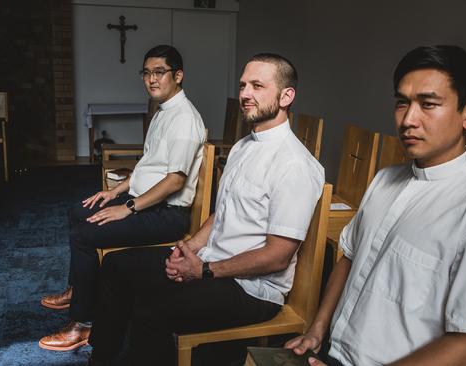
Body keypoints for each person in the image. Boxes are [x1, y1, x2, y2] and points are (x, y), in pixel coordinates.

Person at [286, 45, 466, 366]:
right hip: (332, 354)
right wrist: (317, 329)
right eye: (402, 103)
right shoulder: (384, 180)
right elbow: (350, 258)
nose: (408, 120)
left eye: (428, 104)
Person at [85, 53, 325, 365]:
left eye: (257, 86)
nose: (245, 94)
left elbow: (277, 256)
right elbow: (222, 213)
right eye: (242, 86)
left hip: (251, 291)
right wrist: (187, 248)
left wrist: (204, 270)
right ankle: (101, 359)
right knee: (116, 267)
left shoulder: (295, 165)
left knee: (150, 307)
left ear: (286, 96)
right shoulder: (243, 146)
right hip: (213, 264)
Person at [38, 45, 206, 351]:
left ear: (178, 75)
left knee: (84, 234)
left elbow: (174, 181)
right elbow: (150, 168)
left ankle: (84, 324)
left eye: (159, 72)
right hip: (147, 202)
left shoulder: (184, 118)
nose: (151, 79)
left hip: (167, 215)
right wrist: (115, 192)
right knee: (79, 211)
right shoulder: (163, 111)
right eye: (146, 72)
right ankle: (80, 290)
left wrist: (127, 208)